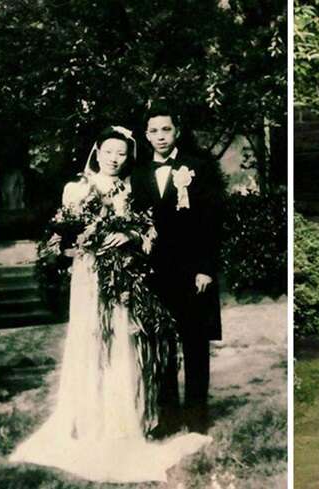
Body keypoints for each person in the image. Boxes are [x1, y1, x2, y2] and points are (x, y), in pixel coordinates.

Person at [9, 126, 211, 483]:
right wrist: (75, 244)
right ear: (97, 151)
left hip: (123, 277)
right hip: (89, 276)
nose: (115, 159)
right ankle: (87, 419)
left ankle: (123, 418)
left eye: (121, 153)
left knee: (120, 340)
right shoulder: (76, 188)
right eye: (109, 152)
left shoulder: (131, 188)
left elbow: (147, 229)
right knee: (90, 338)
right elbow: (61, 236)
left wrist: (128, 234)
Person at [130, 101, 223, 437]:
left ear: (177, 131)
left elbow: (212, 222)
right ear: (145, 135)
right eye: (153, 131)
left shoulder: (199, 167)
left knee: (195, 343)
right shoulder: (137, 174)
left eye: (166, 129)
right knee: (161, 345)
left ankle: (197, 416)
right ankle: (168, 417)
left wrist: (206, 269)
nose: (160, 136)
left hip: (192, 270)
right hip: (155, 273)